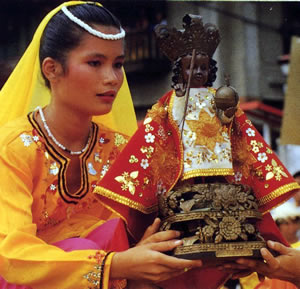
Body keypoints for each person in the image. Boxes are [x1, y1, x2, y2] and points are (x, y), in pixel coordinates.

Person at [0, 2, 203, 288]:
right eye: (95, 63)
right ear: (52, 69)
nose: (112, 78)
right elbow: (12, 257)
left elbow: (132, 232)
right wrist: (116, 265)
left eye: (118, 64)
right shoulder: (11, 148)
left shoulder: (121, 148)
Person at [94, 14, 300, 289]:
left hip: (223, 175)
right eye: (192, 68)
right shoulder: (169, 106)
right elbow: (153, 140)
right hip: (181, 179)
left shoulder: (221, 99)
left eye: (203, 68)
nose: (198, 73)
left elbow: (243, 138)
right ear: (181, 70)